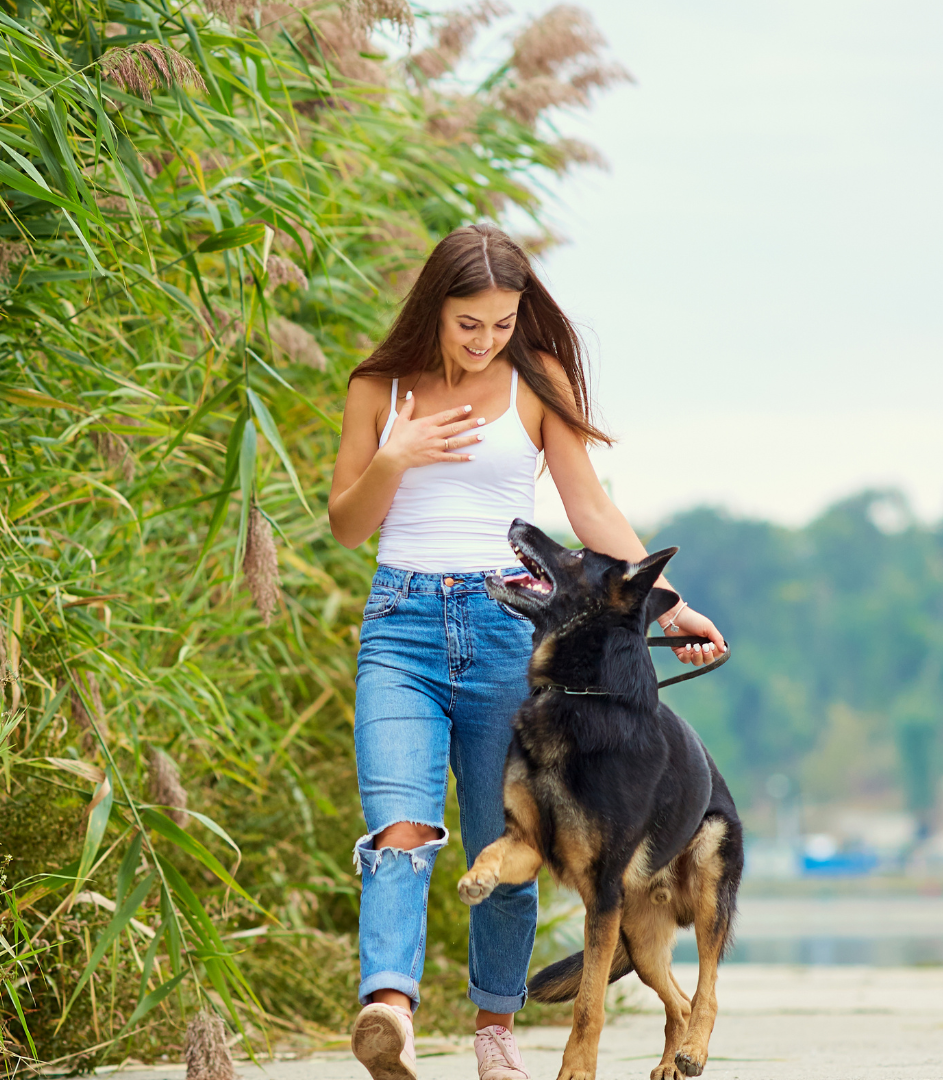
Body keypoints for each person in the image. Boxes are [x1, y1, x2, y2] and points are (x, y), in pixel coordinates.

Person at [326, 224, 727, 1080]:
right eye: (469, 323)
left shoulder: (533, 387)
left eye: (502, 323)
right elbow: (347, 525)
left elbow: (590, 514)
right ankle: (388, 1009)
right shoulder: (378, 389)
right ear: (436, 307)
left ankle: (494, 1032)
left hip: (507, 631)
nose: (485, 340)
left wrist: (675, 605)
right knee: (400, 826)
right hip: (400, 627)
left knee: (510, 842)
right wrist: (394, 457)